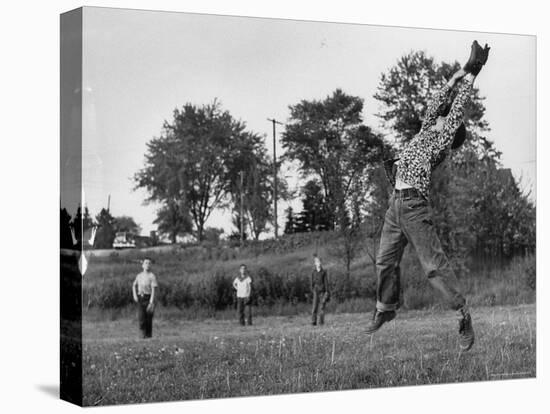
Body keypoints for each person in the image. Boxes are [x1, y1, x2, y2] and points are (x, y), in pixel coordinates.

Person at [366, 41, 490, 352]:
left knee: (433, 266)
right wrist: (459, 71)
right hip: (396, 205)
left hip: (415, 207)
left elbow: (456, 106)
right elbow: (438, 100)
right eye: (440, 115)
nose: (440, 114)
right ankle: (386, 308)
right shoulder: (425, 130)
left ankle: (463, 315)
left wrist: (472, 77)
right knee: (384, 261)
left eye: (445, 116)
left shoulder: (443, 140)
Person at [132, 257, 158, 338]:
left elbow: (153, 289)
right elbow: (134, 285)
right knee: (141, 317)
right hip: (140, 297)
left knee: (148, 318)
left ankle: (148, 335)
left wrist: (151, 302)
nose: (147, 265)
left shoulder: (152, 276)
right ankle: (142, 335)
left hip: (148, 297)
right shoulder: (139, 276)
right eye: (146, 263)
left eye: (149, 263)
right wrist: (135, 295)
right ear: (142, 265)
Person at [311, 256, 330, 326]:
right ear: (315, 263)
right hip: (316, 291)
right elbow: (312, 282)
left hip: (322, 291)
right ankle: (313, 321)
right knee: (314, 307)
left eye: (320, 262)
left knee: (322, 307)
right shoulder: (313, 272)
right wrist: (313, 289)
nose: (319, 263)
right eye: (317, 262)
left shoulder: (324, 272)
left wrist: (327, 291)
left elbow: (326, 283)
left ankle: (321, 322)